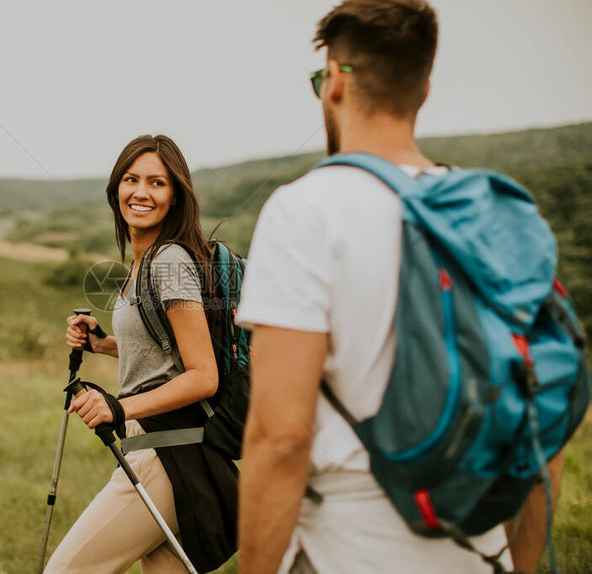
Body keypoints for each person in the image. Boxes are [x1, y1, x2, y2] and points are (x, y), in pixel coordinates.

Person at [234, 1, 564, 573]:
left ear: (334, 82)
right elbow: (539, 426)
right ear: (425, 89)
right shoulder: (498, 216)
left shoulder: (304, 210)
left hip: (350, 550)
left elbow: (279, 441)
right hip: (481, 551)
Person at [44, 135, 238, 573]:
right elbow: (164, 355)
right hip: (165, 453)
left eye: (157, 182)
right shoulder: (143, 264)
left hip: (165, 453)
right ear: (116, 189)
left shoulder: (168, 261)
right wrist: (102, 344)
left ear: (175, 197)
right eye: (131, 179)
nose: (141, 192)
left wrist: (117, 406)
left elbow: (202, 374)